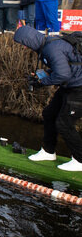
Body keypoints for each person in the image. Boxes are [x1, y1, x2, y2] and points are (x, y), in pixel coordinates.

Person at [14, 26, 82, 171]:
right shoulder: (49, 45)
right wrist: (43, 76)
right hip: (70, 86)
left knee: (64, 123)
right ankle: (48, 151)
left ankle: (80, 160)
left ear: (29, 40)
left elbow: (63, 75)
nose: (24, 47)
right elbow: (65, 67)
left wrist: (42, 82)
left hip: (79, 88)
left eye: (24, 44)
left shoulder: (51, 48)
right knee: (49, 114)